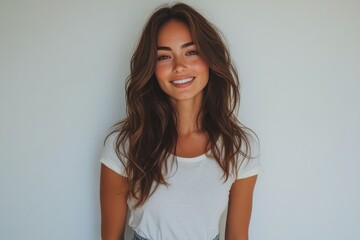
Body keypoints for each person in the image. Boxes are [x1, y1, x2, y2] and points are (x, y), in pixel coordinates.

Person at [100, 3, 261, 240]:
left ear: (210, 58)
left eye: (191, 51)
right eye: (164, 56)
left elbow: (238, 236)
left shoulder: (239, 147)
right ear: (151, 68)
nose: (179, 66)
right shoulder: (125, 145)